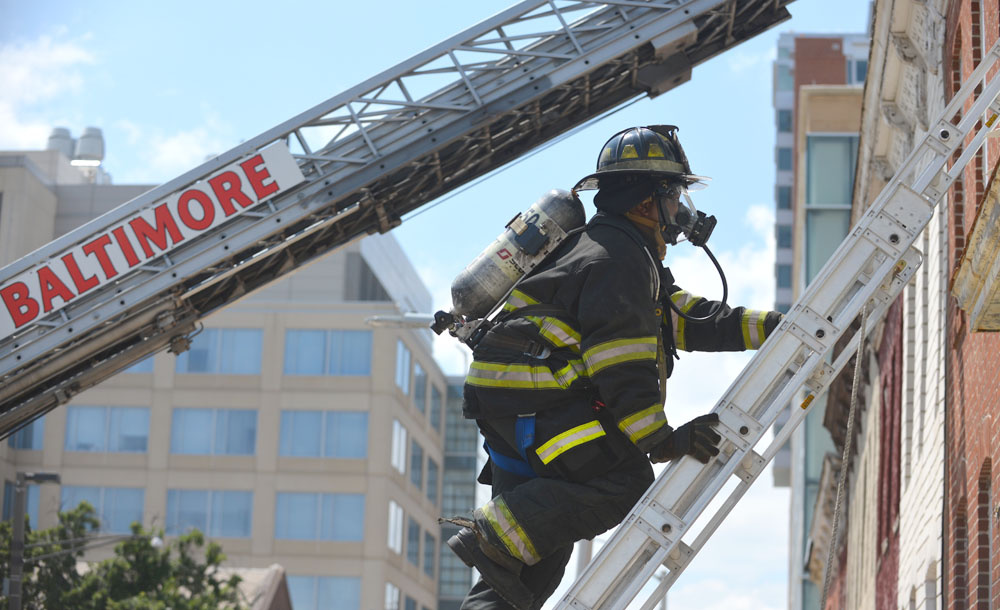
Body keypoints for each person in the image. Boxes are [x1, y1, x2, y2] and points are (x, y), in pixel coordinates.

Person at [444, 125, 783, 610]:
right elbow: (620, 362)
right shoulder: (617, 258)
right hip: (538, 410)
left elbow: (691, 320)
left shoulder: (611, 250)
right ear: (647, 203)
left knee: (533, 563)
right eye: (674, 196)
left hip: (518, 409)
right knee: (624, 482)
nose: (681, 211)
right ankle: (487, 534)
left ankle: (492, 549)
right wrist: (661, 440)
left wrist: (778, 327)